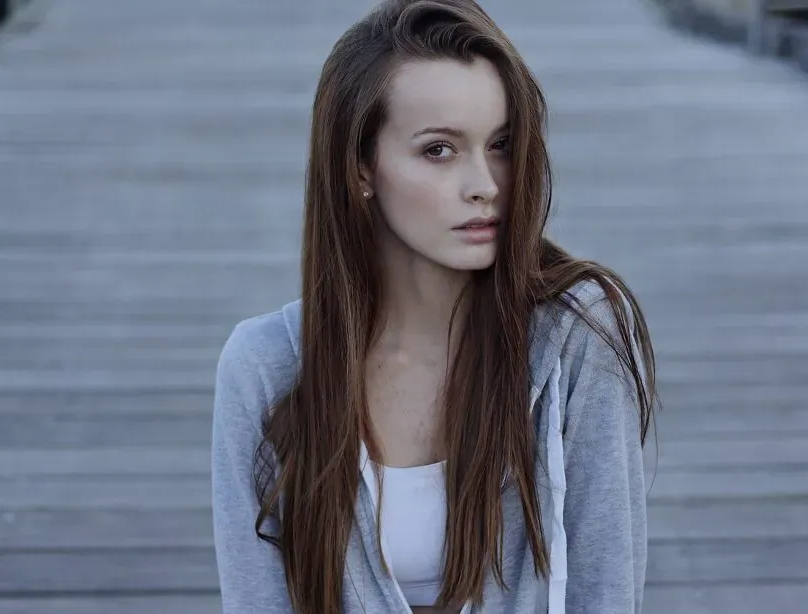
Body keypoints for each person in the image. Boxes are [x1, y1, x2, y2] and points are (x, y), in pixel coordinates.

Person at [211, 0, 658, 612]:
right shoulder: (265, 366)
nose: (487, 184)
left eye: (500, 144)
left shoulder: (578, 339)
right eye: (439, 150)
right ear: (361, 167)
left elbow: (608, 590)